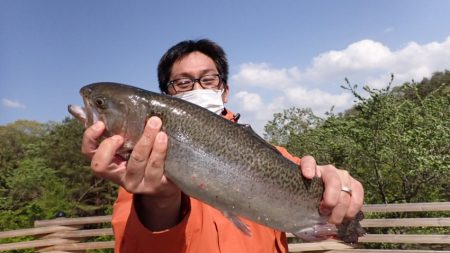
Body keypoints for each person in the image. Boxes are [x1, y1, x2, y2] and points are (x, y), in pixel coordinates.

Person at [82, 39, 364, 253]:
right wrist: (160, 199)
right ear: (167, 95)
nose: (198, 87)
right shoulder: (138, 175)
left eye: (208, 79)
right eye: (182, 82)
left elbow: (325, 187)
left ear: (224, 90)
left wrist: (341, 187)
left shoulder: (276, 156)